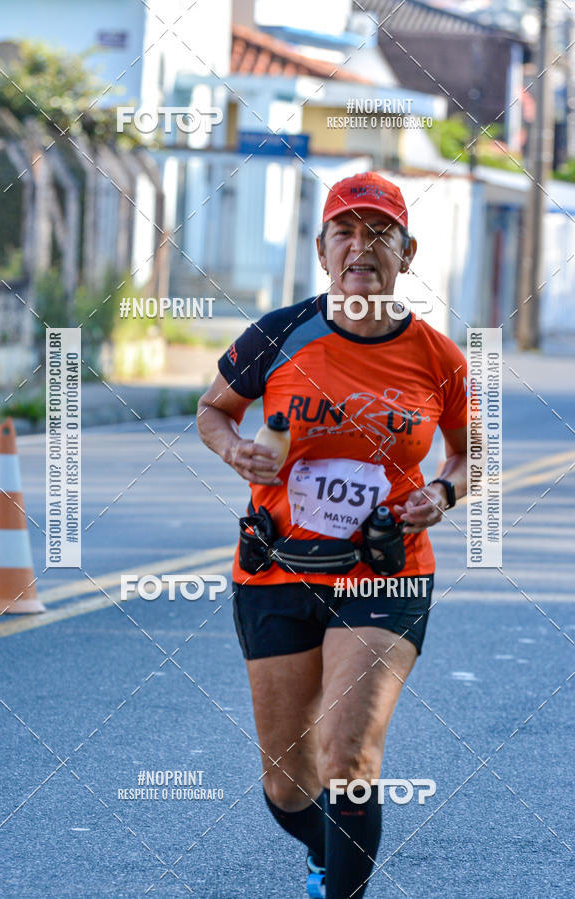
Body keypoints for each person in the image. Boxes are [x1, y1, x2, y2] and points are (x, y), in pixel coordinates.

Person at [197, 171, 468, 899]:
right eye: (346, 231)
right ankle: (332, 852)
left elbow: (469, 453)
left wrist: (442, 492)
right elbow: (212, 410)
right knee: (288, 783)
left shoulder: (439, 358)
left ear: (406, 254)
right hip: (275, 569)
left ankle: (342, 885)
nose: (362, 246)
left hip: (386, 572)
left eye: (380, 232)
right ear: (322, 249)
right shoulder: (278, 334)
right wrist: (235, 451)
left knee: (349, 758)